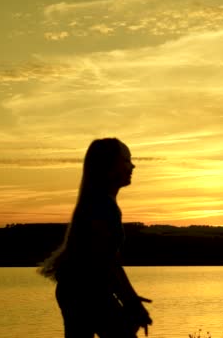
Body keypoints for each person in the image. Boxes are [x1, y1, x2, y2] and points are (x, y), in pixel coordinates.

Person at [38, 138, 152, 338]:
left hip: (78, 290)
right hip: (87, 292)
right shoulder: (102, 206)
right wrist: (131, 302)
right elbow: (106, 263)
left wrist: (130, 300)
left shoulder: (98, 203)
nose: (132, 165)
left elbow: (111, 261)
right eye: (127, 160)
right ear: (110, 164)